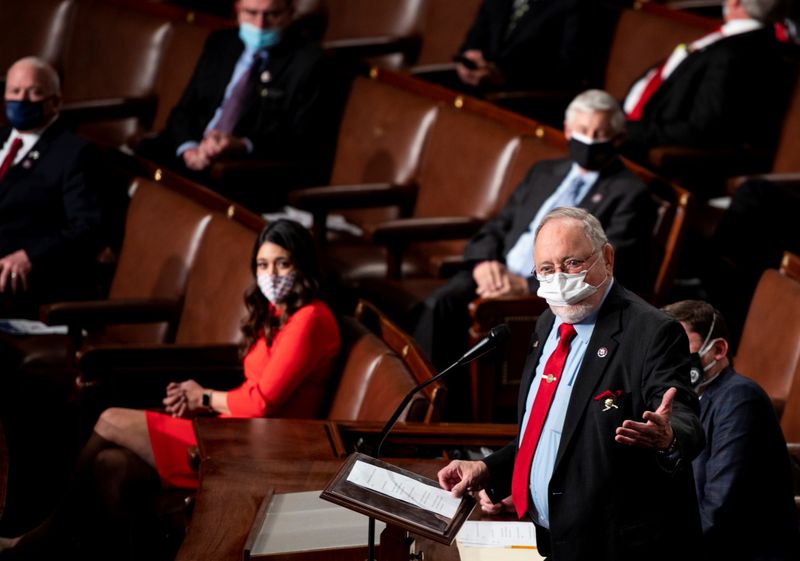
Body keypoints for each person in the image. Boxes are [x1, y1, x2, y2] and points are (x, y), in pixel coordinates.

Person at [0, 219, 341, 559]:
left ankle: (36, 544)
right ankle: (58, 548)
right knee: (111, 465)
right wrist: (205, 405)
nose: (273, 275)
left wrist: (204, 396)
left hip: (258, 449)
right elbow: (254, 391)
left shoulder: (309, 319)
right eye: (263, 265)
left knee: (110, 419)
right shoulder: (276, 310)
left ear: (302, 265)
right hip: (234, 431)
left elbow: (261, 403)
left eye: (283, 264)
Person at [437, 207, 705, 561]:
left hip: (618, 548)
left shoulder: (653, 332)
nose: (559, 278)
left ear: (607, 258)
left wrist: (669, 437)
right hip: (552, 540)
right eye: (546, 269)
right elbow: (547, 431)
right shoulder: (547, 323)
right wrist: (490, 469)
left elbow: (685, 416)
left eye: (572, 263)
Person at [412, 90, 656, 402]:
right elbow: (499, 225)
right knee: (438, 305)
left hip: (545, 293)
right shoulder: (544, 172)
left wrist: (528, 285)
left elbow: (604, 267)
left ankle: (453, 415)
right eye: (582, 131)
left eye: (600, 134)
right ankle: (427, 403)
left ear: (618, 138)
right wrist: (484, 263)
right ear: (568, 131)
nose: (590, 140)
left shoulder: (630, 194)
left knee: (471, 316)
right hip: (496, 274)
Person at [662, 300, 798, 561]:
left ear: (718, 349)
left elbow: (719, 509)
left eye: (681, 349)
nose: (673, 361)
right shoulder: (681, 402)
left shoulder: (740, 399)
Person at [138, 0, 325, 179]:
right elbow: (183, 111)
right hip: (191, 153)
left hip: (244, 169)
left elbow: (298, 142)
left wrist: (242, 145)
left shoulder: (308, 63)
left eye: (272, 14)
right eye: (251, 13)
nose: (260, 24)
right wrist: (189, 149)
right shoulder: (220, 43)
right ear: (238, 10)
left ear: (290, 13)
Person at [0, 56, 104, 317]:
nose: (21, 100)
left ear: (56, 102)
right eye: (14, 91)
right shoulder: (1, 138)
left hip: (20, 279)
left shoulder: (75, 153)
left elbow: (87, 229)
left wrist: (31, 256)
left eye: (33, 92)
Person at [622, 0, 792, 159]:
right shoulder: (738, 38)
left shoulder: (735, 53)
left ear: (736, 2)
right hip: (633, 114)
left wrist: (627, 130)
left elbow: (703, 127)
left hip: (648, 128)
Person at [448, 0, 595, 92]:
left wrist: (503, 74)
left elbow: (569, 69)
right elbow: (474, 38)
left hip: (524, 95)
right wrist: (469, 58)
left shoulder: (575, 4)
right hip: (473, 85)